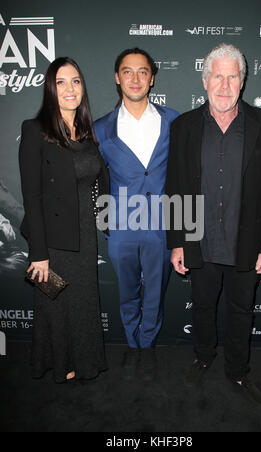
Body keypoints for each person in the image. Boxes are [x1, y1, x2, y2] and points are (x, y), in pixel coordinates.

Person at [165, 43, 261, 403]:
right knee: (202, 307)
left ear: (242, 81)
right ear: (204, 81)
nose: (224, 84)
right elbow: (174, 186)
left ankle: (237, 371)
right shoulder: (184, 127)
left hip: (246, 245)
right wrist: (177, 241)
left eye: (231, 76)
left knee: (241, 311)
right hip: (198, 241)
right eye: (217, 76)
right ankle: (203, 357)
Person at [19, 57, 109, 383]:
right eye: (61, 82)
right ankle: (61, 363)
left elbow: (98, 179)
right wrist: (38, 254)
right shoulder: (35, 131)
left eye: (75, 81)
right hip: (53, 241)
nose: (69, 89)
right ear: (50, 88)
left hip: (86, 235)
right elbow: (33, 196)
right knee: (56, 303)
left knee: (84, 302)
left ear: (82, 87)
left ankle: (84, 361)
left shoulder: (87, 133)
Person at [94, 48, 179, 381]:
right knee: (127, 291)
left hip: (162, 225)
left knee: (155, 293)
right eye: (127, 71)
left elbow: (188, 175)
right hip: (121, 227)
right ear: (117, 78)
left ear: (152, 78)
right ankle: (132, 345)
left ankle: (148, 346)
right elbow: (95, 181)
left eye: (142, 71)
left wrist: (187, 229)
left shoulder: (175, 120)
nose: (135, 78)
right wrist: (107, 227)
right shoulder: (101, 128)